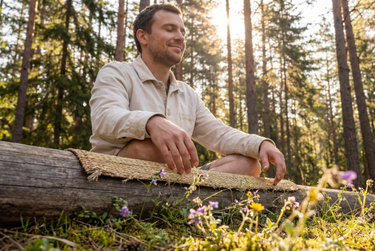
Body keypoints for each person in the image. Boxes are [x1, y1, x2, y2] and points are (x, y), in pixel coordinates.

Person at [89, 3, 286, 185]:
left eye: (182, 32)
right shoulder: (116, 72)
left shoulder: (187, 94)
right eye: (169, 29)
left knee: (248, 165)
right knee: (152, 149)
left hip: (175, 179)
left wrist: (261, 144)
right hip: (117, 176)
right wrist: (152, 122)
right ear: (143, 36)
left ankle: (187, 202)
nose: (180, 37)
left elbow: (219, 134)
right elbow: (104, 117)